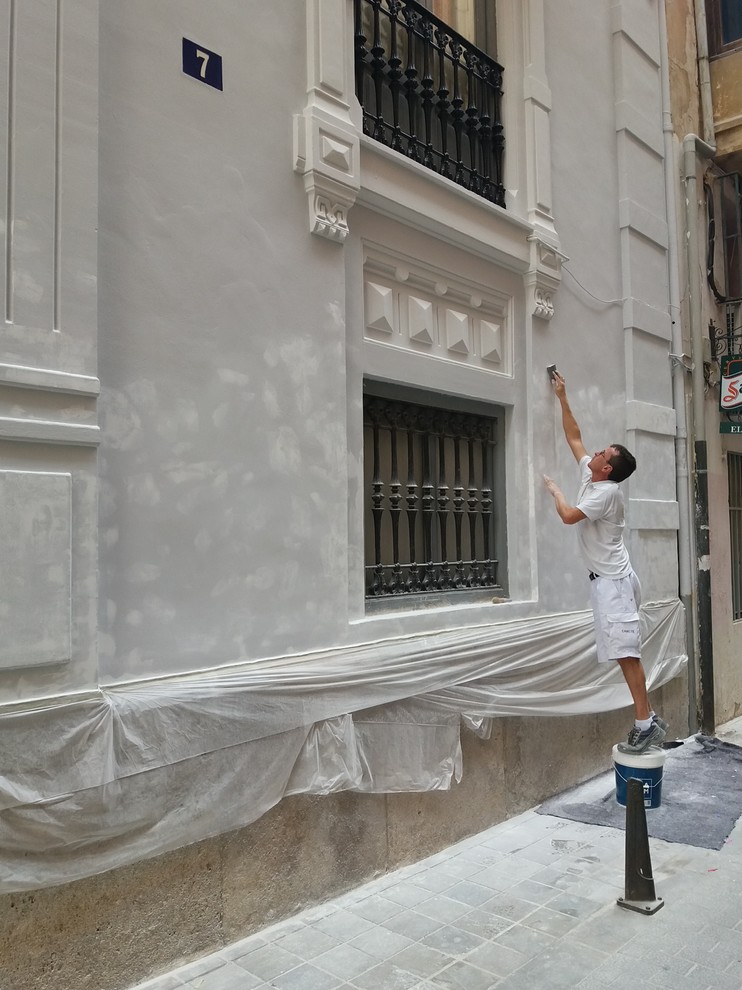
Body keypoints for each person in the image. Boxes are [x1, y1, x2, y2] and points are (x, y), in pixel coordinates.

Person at [543, 370, 667, 754]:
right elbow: (574, 436)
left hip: (613, 583)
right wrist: (563, 397)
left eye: (602, 454)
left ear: (607, 468)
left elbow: (568, 516)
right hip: (614, 579)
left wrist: (556, 492)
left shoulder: (605, 494)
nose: (593, 453)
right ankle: (648, 716)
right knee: (625, 652)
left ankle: (645, 723)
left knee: (626, 654)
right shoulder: (593, 476)